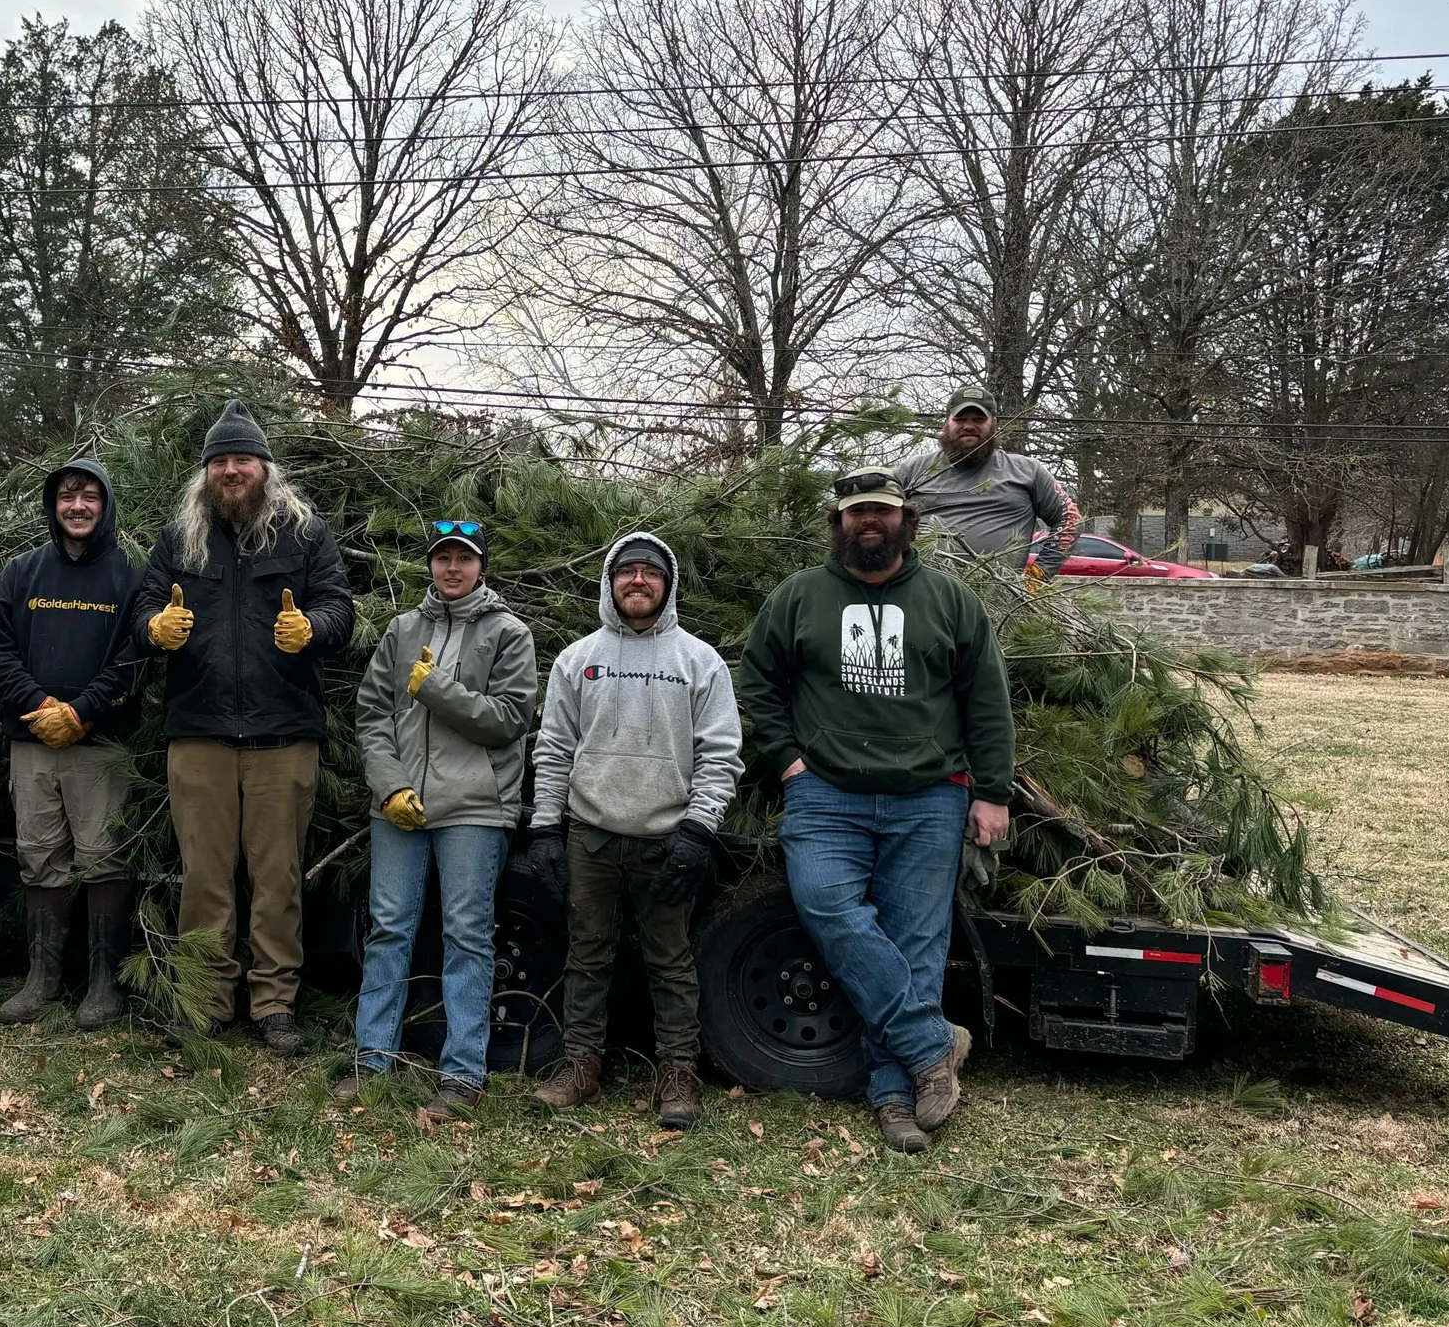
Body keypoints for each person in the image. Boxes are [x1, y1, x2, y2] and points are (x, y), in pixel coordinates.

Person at [734, 465, 1014, 1154]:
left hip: (930, 796)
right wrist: (788, 760)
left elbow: (986, 697)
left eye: (882, 510)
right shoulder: (798, 596)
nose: (870, 520)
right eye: (857, 510)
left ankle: (897, 1096)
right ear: (839, 521)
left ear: (906, 519)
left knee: (916, 945)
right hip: (826, 795)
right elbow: (758, 680)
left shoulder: (951, 600)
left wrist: (994, 789)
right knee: (825, 902)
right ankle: (931, 1042)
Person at [133, 399, 354, 1058]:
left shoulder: (305, 533)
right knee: (205, 876)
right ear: (207, 472)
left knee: (277, 876)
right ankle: (206, 998)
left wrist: (313, 627)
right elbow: (143, 603)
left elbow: (340, 605)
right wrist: (154, 627)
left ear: (265, 468)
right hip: (198, 729)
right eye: (221, 460)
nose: (232, 469)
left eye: (243, 459)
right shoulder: (179, 538)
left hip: (283, 733)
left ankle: (275, 1002)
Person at [511, 532, 740, 1130]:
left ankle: (677, 1073)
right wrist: (543, 829)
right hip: (590, 835)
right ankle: (580, 1063)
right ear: (610, 582)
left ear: (668, 586)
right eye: (628, 571)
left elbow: (720, 754)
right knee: (587, 953)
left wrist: (698, 831)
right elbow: (555, 747)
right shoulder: (577, 658)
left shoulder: (700, 661)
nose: (639, 581)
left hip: (668, 837)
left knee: (670, 959)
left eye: (651, 573)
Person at [339, 518, 538, 1113]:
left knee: (468, 935)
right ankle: (371, 1061)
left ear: (481, 567)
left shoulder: (509, 633)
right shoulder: (402, 631)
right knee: (390, 930)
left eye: (464, 558)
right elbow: (372, 713)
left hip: (475, 809)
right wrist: (390, 786)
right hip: (400, 808)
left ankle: (462, 1075)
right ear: (430, 564)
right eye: (443, 557)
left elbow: (509, 719)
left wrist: (436, 689)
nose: (452, 568)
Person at [0, 459, 145, 1028]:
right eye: (67, 496)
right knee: (39, 855)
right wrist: (40, 706)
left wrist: (82, 711)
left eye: (89, 496)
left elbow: (136, 657)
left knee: (102, 857)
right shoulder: (22, 573)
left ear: (106, 506)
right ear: (53, 506)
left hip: (99, 744)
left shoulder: (132, 578)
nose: (77, 506)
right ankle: (42, 978)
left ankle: (105, 984)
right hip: (32, 741)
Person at [894, 385, 1082, 581]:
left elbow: (1071, 520)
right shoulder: (913, 471)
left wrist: (1036, 577)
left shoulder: (1027, 471)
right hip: (926, 593)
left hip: (998, 600)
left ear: (994, 423)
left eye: (979, 419)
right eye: (960, 419)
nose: (969, 426)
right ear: (947, 423)